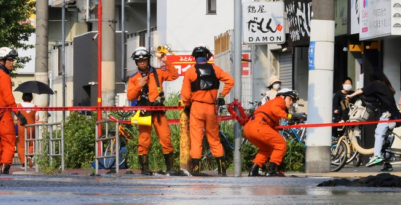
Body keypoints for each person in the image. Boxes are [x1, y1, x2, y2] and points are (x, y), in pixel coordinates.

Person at [180, 45, 234, 176]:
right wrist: (222, 96)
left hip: (197, 107)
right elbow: (230, 81)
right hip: (211, 108)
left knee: (196, 139)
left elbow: (185, 95)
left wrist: (187, 105)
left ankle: (197, 170)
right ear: (207, 56)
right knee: (214, 139)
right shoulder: (215, 69)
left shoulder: (190, 71)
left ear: (195, 57)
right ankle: (222, 170)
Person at [126, 46, 180, 175]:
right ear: (136, 63)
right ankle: (144, 169)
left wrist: (166, 60)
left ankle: (170, 169)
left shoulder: (159, 73)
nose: (142, 63)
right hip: (144, 112)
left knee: (166, 138)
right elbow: (130, 96)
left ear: (148, 60)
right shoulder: (134, 78)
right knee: (144, 140)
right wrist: (139, 85)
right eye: (139, 61)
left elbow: (174, 75)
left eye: (144, 60)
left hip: (158, 111)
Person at [0, 47, 27, 175]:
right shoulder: (4, 76)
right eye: (10, 60)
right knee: (9, 142)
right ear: (2, 61)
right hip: (3, 114)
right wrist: (18, 113)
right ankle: (5, 168)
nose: (12, 63)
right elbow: (8, 97)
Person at [244, 88, 304, 176]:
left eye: (293, 101)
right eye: (290, 99)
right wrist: (290, 116)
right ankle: (271, 171)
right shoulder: (279, 101)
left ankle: (254, 170)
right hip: (259, 125)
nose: (292, 103)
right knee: (281, 144)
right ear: (282, 97)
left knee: (267, 148)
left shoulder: (272, 104)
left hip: (249, 128)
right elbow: (275, 110)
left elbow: (272, 125)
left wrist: (290, 118)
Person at [364, 72, 401, 170]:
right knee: (385, 139)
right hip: (393, 114)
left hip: (387, 114)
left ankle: (377, 156)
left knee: (379, 134)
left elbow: (363, 91)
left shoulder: (377, 84)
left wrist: (351, 95)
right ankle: (387, 164)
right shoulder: (386, 86)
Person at [16, 92, 37, 168]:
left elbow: (16, 117)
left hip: (22, 127)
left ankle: (24, 162)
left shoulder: (19, 106)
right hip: (32, 128)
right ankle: (30, 156)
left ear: (23, 97)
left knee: (21, 145)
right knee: (31, 143)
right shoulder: (35, 106)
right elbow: (37, 118)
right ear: (31, 98)